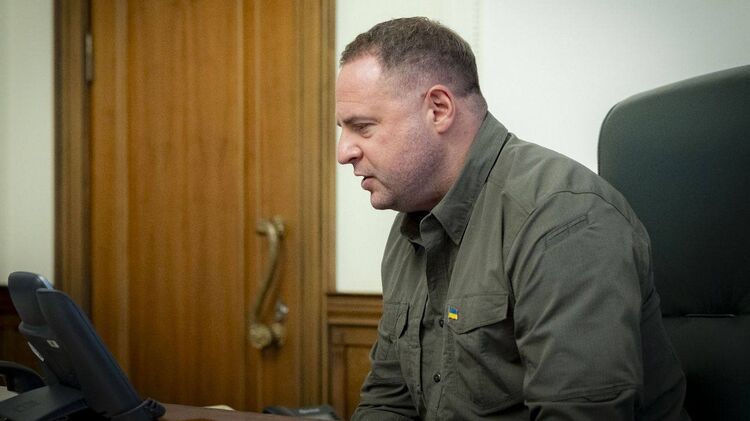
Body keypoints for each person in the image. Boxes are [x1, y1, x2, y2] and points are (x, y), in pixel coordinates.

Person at [336, 17, 689, 421]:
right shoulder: (412, 226)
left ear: (438, 109)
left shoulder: (562, 218)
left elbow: (576, 414)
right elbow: (388, 402)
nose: (344, 152)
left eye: (362, 127)